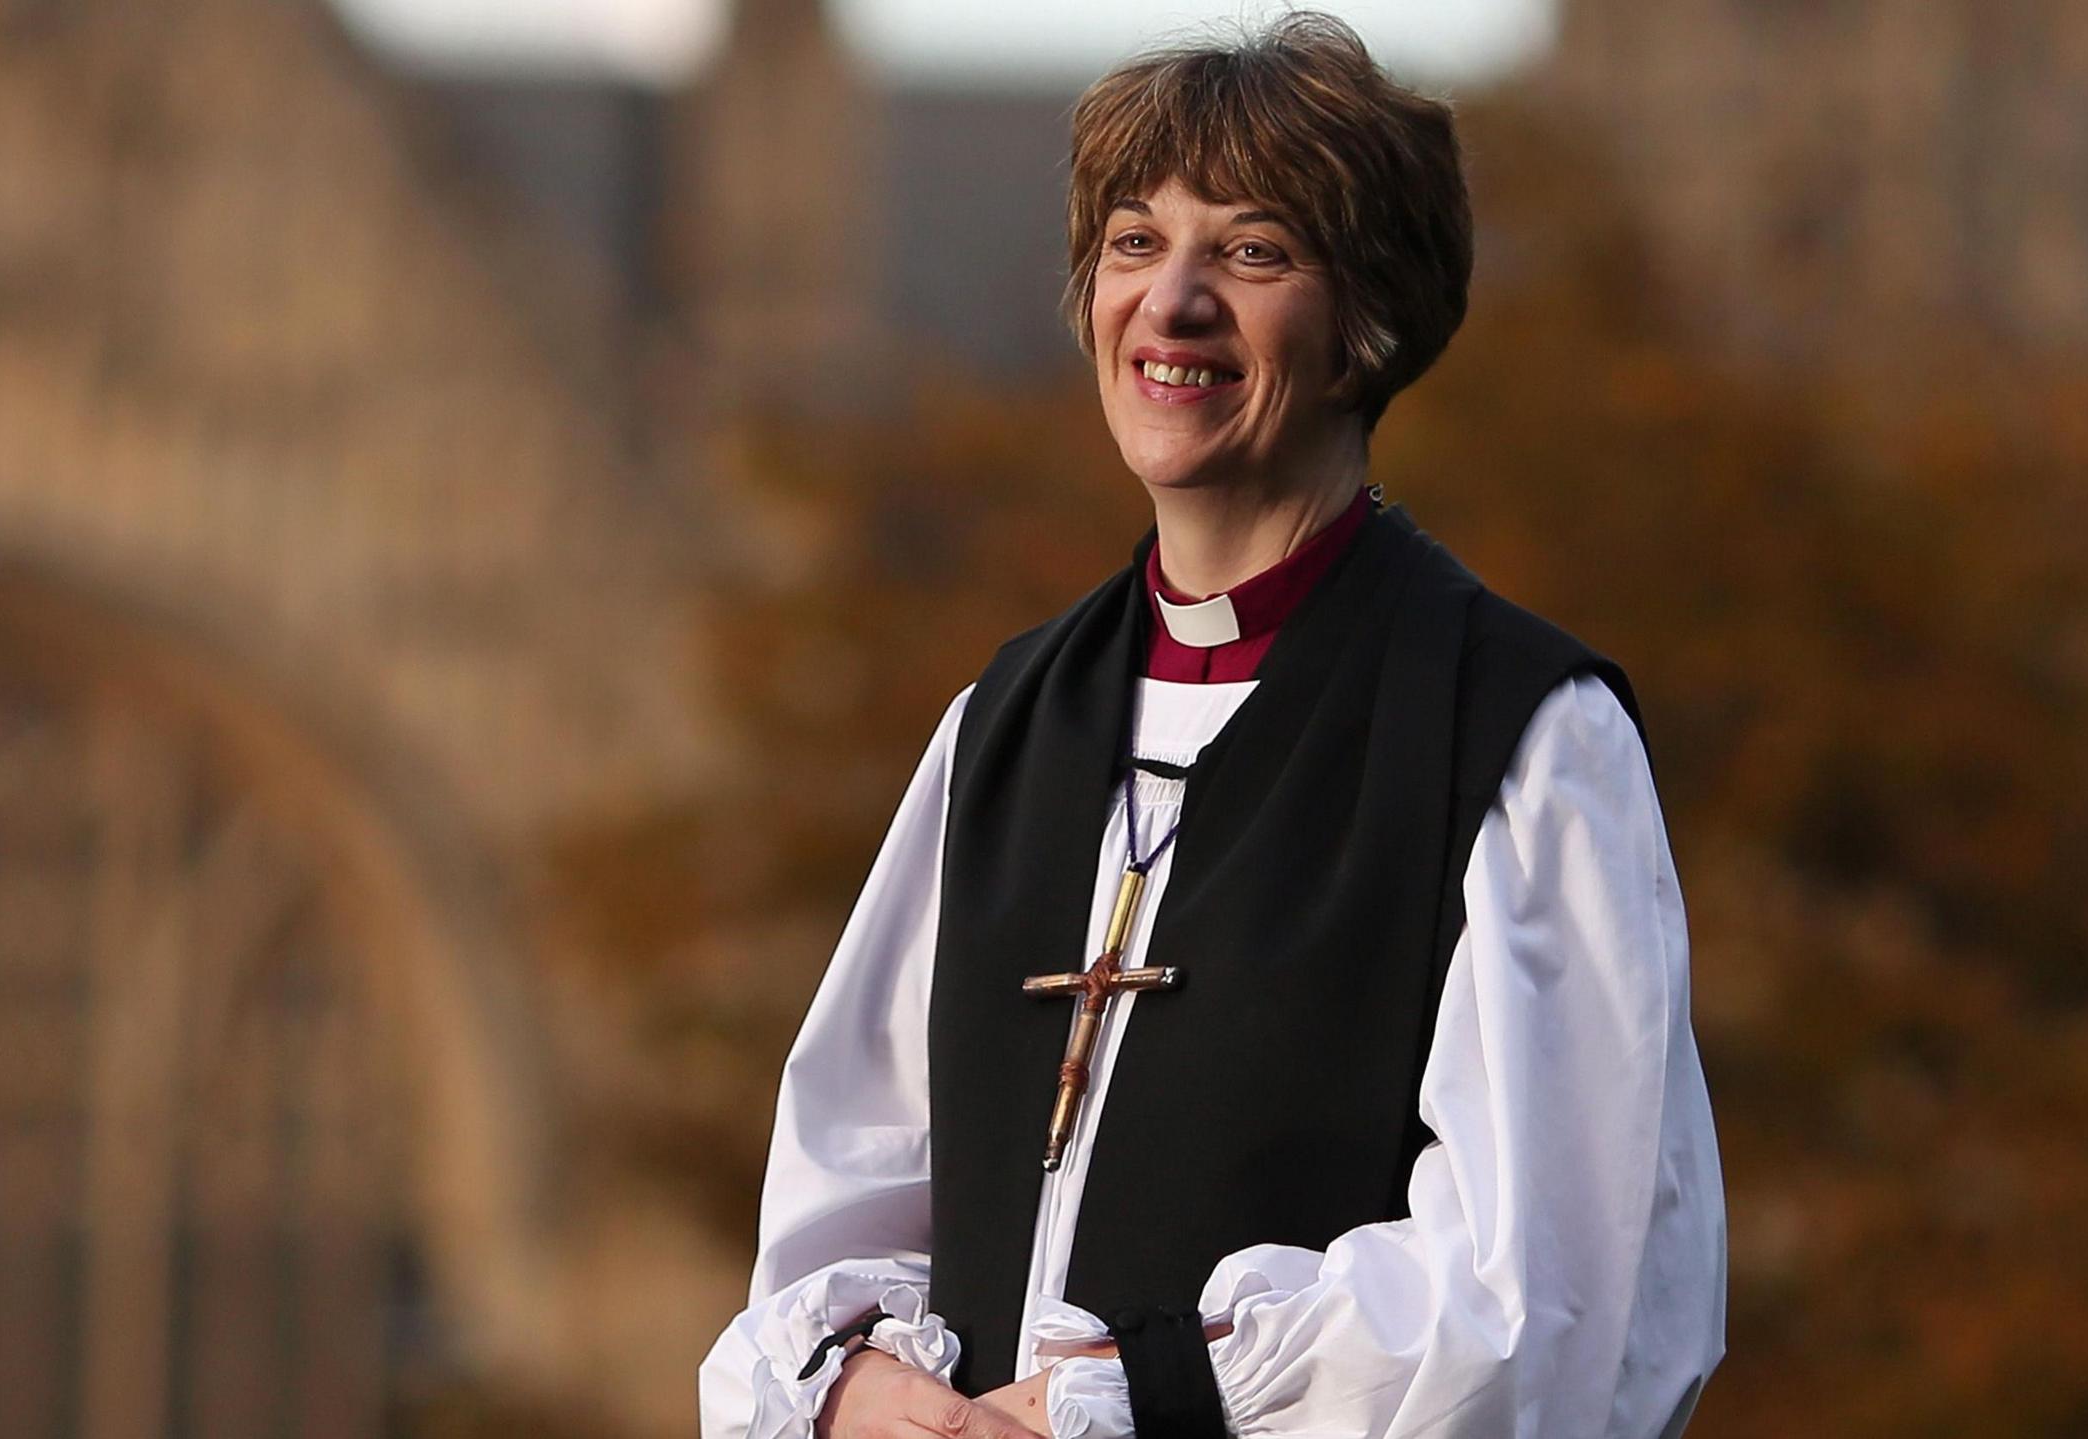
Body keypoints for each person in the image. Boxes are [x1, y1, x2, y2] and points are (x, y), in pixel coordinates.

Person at [699, 13, 1724, 1437]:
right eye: (1133, 243)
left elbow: (1556, 1310)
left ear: (1366, 319)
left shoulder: (1516, 740)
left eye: (1250, 252)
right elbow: (843, 1195)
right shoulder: (1003, 729)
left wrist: (1130, 1402)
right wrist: (857, 1390)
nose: (1170, 303)